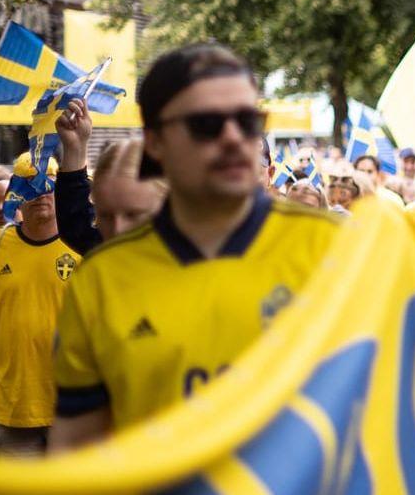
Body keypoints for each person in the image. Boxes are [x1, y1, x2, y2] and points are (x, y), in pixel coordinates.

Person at [49, 44, 341, 450]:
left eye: (247, 121)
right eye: (206, 124)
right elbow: (77, 450)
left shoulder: (337, 250)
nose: (234, 138)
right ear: (155, 144)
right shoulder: (99, 281)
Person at [0, 153, 81, 456]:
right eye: (31, 185)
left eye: (49, 184)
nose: (42, 193)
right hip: (14, 406)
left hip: (74, 408)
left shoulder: (84, 246)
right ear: (17, 193)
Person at [54, 98, 167, 248]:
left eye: (133, 215)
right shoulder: (106, 257)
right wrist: (75, 147)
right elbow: (76, 225)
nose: (117, 229)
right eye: (105, 216)